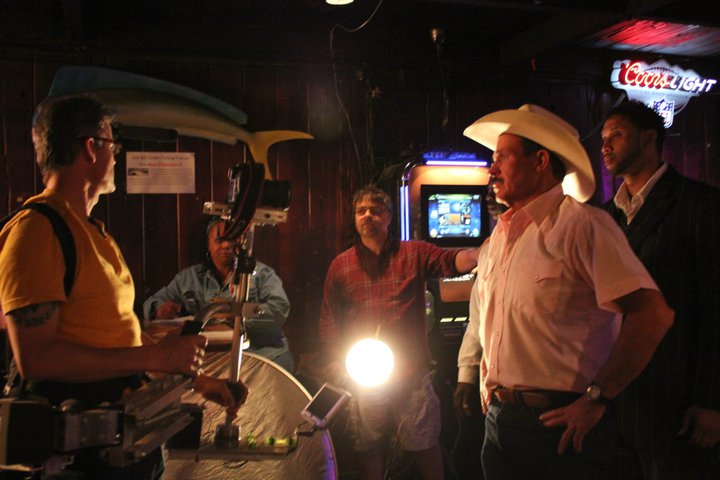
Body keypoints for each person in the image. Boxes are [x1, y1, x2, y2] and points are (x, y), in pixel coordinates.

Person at [0, 95, 246, 479]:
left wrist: (196, 379)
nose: (116, 157)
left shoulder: (93, 234)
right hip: (81, 459)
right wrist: (155, 358)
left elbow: (115, 336)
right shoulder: (37, 230)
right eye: (113, 146)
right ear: (91, 147)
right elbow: (37, 357)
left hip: (125, 446)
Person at [455, 104, 674, 480]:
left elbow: (652, 315)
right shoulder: (497, 242)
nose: (492, 169)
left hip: (561, 423)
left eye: (503, 157)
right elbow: (485, 317)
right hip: (501, 421)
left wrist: (598, 397)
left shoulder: (584, 226)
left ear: (540, 161)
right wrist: (478, 377)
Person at [316, 185, 479, 480]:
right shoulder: (340, 266)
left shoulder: (414, 253)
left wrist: (484, 252)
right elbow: (329, 319)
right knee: (368, 446)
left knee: (424, 442)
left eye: (375, 210)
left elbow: (452, 260)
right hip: (364, 374)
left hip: (412, 371)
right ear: (354, 218)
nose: (368, 216)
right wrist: (333, 361)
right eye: (361, 211)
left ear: (389, 216)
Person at [600, 101, 720, 479]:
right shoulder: (604, 216)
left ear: (649, 137)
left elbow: (715, 308)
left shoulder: (700, 204)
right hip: (615, 397)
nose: (605, 146)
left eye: (616, 135)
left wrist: (711, 401)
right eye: (602, 138)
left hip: (678, 400)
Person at [143, 218, 294, 372]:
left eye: (232, 239)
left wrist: (234, 314)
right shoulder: (189, 277)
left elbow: (279, 310)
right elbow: (153, 301)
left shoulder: (261, 274)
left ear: (242, 242)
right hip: (213, 360)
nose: (226, 245)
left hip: (263, 357)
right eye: (220, 240)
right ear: (209, 245)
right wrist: (160, 309)